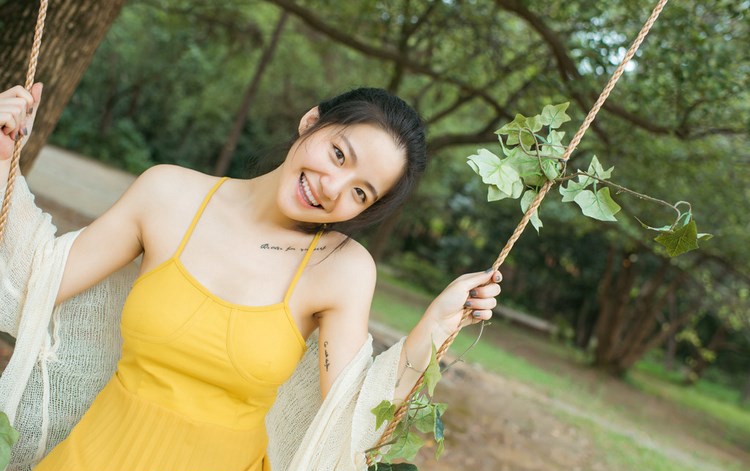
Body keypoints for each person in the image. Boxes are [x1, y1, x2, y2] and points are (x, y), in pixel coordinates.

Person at [0, 83, 501, 471]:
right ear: (311, 122)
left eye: (360, 193)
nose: (332, 187)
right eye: (339, 154)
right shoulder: (168, 195)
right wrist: (2, 162)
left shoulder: (342, 268)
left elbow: (348, 418)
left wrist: (431, 330)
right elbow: (36, 279)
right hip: (94, 456)